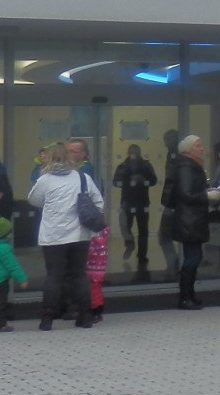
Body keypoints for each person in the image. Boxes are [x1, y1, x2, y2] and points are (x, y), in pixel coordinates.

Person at [28, 142, 104, 329]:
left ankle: (47, 319)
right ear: (69, 158)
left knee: (54, 276)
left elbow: (34, 200)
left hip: (53, 236)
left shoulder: (44, 180)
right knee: (79, 275)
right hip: (79, 235)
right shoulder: (82, 177)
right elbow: (98, 202)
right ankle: (85, 317)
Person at [161, 134, 214, 310]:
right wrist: (207, 196)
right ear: (189, 149)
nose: (203, 149)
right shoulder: (186, 167)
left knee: (194, 257)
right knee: (192, 258)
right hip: (189, 220)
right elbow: (186, 194)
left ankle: (189, 295)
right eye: (199, 146)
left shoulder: (191, 166)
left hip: (192, 219)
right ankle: (185, 297)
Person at [68, 139, 108, 324]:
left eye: (75, 151)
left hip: (89, 230)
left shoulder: (84, 172)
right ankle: (89, 307)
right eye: (68, 151)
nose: (71, 155)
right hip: (84, 228)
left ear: (84, 154)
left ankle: (92, 308)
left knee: (89, 273)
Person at [112, 144, 158, 273]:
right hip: (127, 200)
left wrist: (142, 180)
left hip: (142, 201)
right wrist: (126, 180)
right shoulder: (123, 166)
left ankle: (142, 256)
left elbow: (154, 180)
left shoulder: (146, 165)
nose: (133, 154)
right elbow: (115, 182)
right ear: (128, 152)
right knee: (125, 226)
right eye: (131, 152)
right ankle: (129, 243)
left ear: (140, 152)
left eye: (136, 152)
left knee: (143, 230)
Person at [156, 128, 184, 277]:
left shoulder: (176, 155)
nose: (164, 143)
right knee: (166, 235)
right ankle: (174, 264)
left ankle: (174, 265)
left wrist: (169, 200)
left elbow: (173, 180)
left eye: (167, 139)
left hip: (173, 202)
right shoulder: (173, 154)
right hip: (172, 201)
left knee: (164, 235)